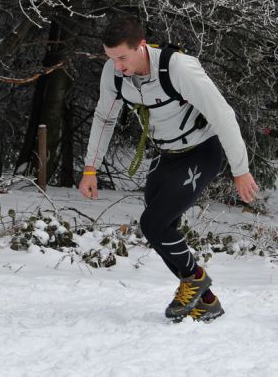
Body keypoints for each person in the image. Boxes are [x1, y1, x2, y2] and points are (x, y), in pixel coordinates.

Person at [79, 17, 258, 322]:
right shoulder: (115, 73)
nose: (117, 65)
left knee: (153, 223)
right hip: (164, 154)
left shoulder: (178, 68)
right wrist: (90, 168)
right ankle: (207, 300)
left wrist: (240, 170)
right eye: (111, 58)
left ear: (141, 46)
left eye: (122, 57)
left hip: (202, 151)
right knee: (162, 230)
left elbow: (223, 114)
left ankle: (195, 278)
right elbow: (104, 117)